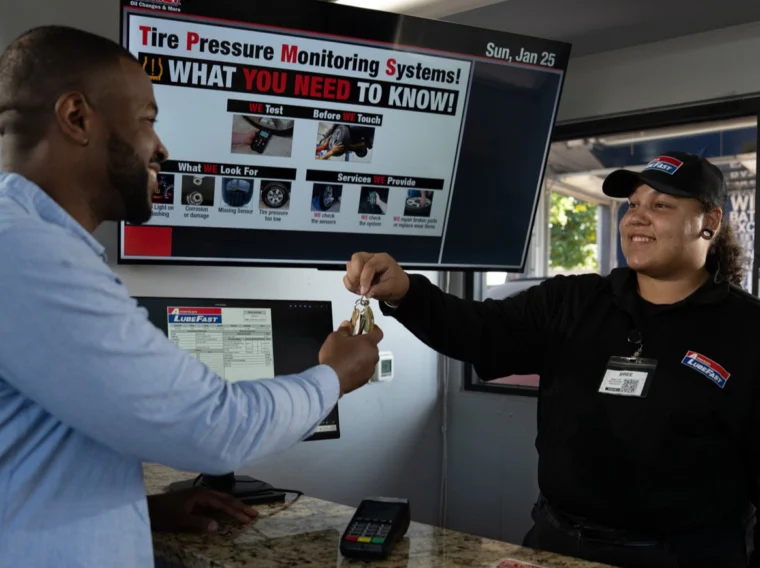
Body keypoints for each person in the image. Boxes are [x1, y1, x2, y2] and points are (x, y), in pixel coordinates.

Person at [0, 25, 383, 567]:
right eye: (147, 122)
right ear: (77, 117)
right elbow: (214, 428)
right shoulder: (26, 253)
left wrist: (143, 509)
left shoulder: (30, 245)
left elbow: (39, 444)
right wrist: (334, 376)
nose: (161, 149)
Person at [345, 150, 760, 568]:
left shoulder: (747, 329)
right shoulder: (573, 302)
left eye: (661, 205)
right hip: (555, 546)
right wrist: (407, 294)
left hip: (680, 558)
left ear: (710, 222)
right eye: (632, 204)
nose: (636, 217)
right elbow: (479, 331)